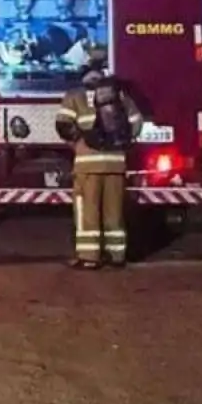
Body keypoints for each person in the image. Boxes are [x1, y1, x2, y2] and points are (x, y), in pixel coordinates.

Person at [55, 46, 143, 269]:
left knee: (88, 213)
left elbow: (63, 126)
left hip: (88, 167)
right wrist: (122, 143)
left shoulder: (75, 96)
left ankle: (90, 257)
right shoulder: (120, 96)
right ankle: (117, 256)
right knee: (114, 213)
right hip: (116, 165)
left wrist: (79, 142)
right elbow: (136, 123)